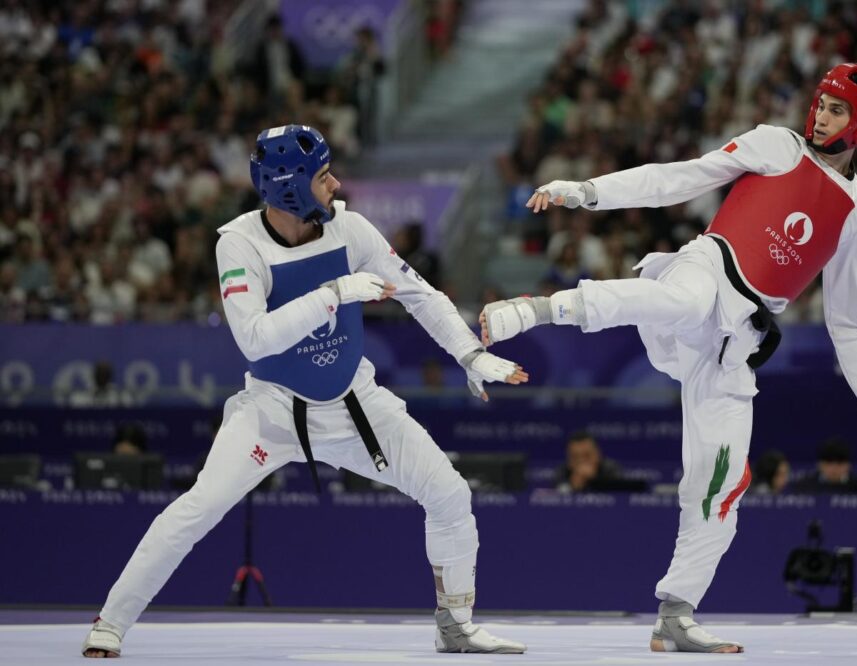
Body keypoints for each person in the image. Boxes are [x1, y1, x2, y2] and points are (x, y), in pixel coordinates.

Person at [480, 63, 857, 653]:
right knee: (684, 300)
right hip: (706, 270)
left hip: (737, 342)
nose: (820, 115)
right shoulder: (775, 144)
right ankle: (541, 309)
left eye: (837, 110)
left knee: (722, 481)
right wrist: (588, 192)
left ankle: (676, 613)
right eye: (820, 103)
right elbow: (679, 178)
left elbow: (847, 318)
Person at [82, 125, 528, 657]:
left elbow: (421, 295)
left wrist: (469, 355)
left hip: (355, 407)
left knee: (451, 495)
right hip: (271, 415)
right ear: (289, 187)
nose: (336, 184)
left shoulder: (352, 230)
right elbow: (254, 340)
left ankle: (456, 624)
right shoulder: (239, 243)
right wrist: (333, 293)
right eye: (322, 177)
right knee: (196, 509)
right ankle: (110, 622)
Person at [789, 438, 857, 494]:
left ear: (848, 464)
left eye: (839, 463)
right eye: (829, 462)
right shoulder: (804, 486)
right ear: (819, 464)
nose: (834, 468)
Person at [555, 430, 624, 492]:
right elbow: (559, 494)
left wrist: (594, 480)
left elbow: (618, 493)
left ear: (597, 454)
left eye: (587, 455)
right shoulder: (562, 472)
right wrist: (572, 486)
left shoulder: (611, 469)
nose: (581, 461)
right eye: (575, 457)